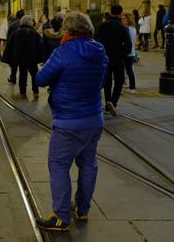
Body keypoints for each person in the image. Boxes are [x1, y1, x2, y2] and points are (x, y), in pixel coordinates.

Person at [35, 12, 108, 231]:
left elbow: (41, 79)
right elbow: (102, 82)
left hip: (68, 120)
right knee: (88, 164)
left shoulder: (63, 52)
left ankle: (61, 216)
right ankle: (83, 209)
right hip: (94, 118)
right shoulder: (100, 52)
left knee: (58, 165)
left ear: (68, 31)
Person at [95, 5, 132, 116]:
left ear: (110, 12)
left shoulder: (102, 25)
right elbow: (128, 45)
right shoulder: (122, 27)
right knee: (119, 81)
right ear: (120, 13)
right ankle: (113, 102)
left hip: (104, 58)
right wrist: (122, 55)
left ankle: (107, 103)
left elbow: (95, 40)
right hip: (117, 59)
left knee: (107, 82)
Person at [5, 15, 43, 98]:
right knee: (34, 74)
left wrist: (11, 57)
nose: (33, 22)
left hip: (21, 58)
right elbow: (40, 45)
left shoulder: (16, 32)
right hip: (32, 58)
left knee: (22, 75)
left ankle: (22, 93)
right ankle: (35, 92)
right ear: (29, 22)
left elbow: (10, 45)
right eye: (31, 21)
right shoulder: (33, 32)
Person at [5, 10, 25, 84]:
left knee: (14, 64)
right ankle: (23, 81)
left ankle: (13, 78)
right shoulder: (26, 24)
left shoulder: (12, 25)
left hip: (14, 47)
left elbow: (8, 37)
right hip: (24, 48)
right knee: (23, 66)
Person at [122, 13, 138, 93]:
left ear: (128, 19)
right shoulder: (133, 28)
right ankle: (130, 86)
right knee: (129, 70)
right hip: (131, 52)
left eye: (124, 18)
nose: (123, 20)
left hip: (128, 52)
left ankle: (132, 88)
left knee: (129, 70)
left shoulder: (127, 29)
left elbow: (126, 42)